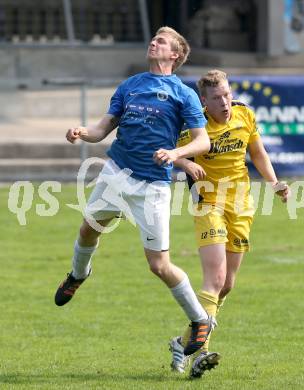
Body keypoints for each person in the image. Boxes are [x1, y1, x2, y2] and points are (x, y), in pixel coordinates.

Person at [54, 26, 213, 357]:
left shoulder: (184, 94)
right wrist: (83, 132)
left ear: (175, 55)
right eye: (154, 38)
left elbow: (203, 140)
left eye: (162, 41)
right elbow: (102, 129)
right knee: (87, 230)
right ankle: (77, 275)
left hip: (152, 185)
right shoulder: (131, 85)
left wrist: (176, 154)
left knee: (158, 265)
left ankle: (200, 320)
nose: (154, 42)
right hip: (116, 172)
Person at [170, 69, 290, 378]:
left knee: (227, 286)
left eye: (226, 94)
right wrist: (184, 163)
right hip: (208, 203)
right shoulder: (194, 127)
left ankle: (183, 341)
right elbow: (174, 155)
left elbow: (258, 153)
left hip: (241, 206)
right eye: (216, 98)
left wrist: (275, 183)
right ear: (203, 102)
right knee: (215, 277)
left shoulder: (244, 115)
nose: (224, 102)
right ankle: (202, 351)